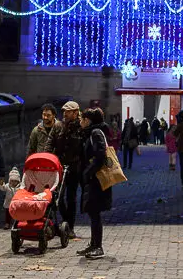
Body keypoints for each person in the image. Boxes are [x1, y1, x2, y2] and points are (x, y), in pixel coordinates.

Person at [76, 108, 112, 260]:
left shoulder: (95, 133)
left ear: (88, 120)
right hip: (92, 178)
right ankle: (93, 244)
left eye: (82, 119)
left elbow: (100, 155)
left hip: (96, 179)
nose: (80, 122)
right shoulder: (91, 133)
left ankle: (98, 247)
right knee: (92, 212)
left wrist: (87, 172)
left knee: (95, 212)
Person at [46, 101, 82, 238]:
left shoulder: (80, 127)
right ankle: (64, 220)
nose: (65, 114)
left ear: (75, 112)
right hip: (59, 166)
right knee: (58, 196)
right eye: (64, 111)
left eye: (68, 112)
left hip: (74, 167)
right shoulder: (58, 126)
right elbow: (50, 143)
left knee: (71, 197)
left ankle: (70, 226)